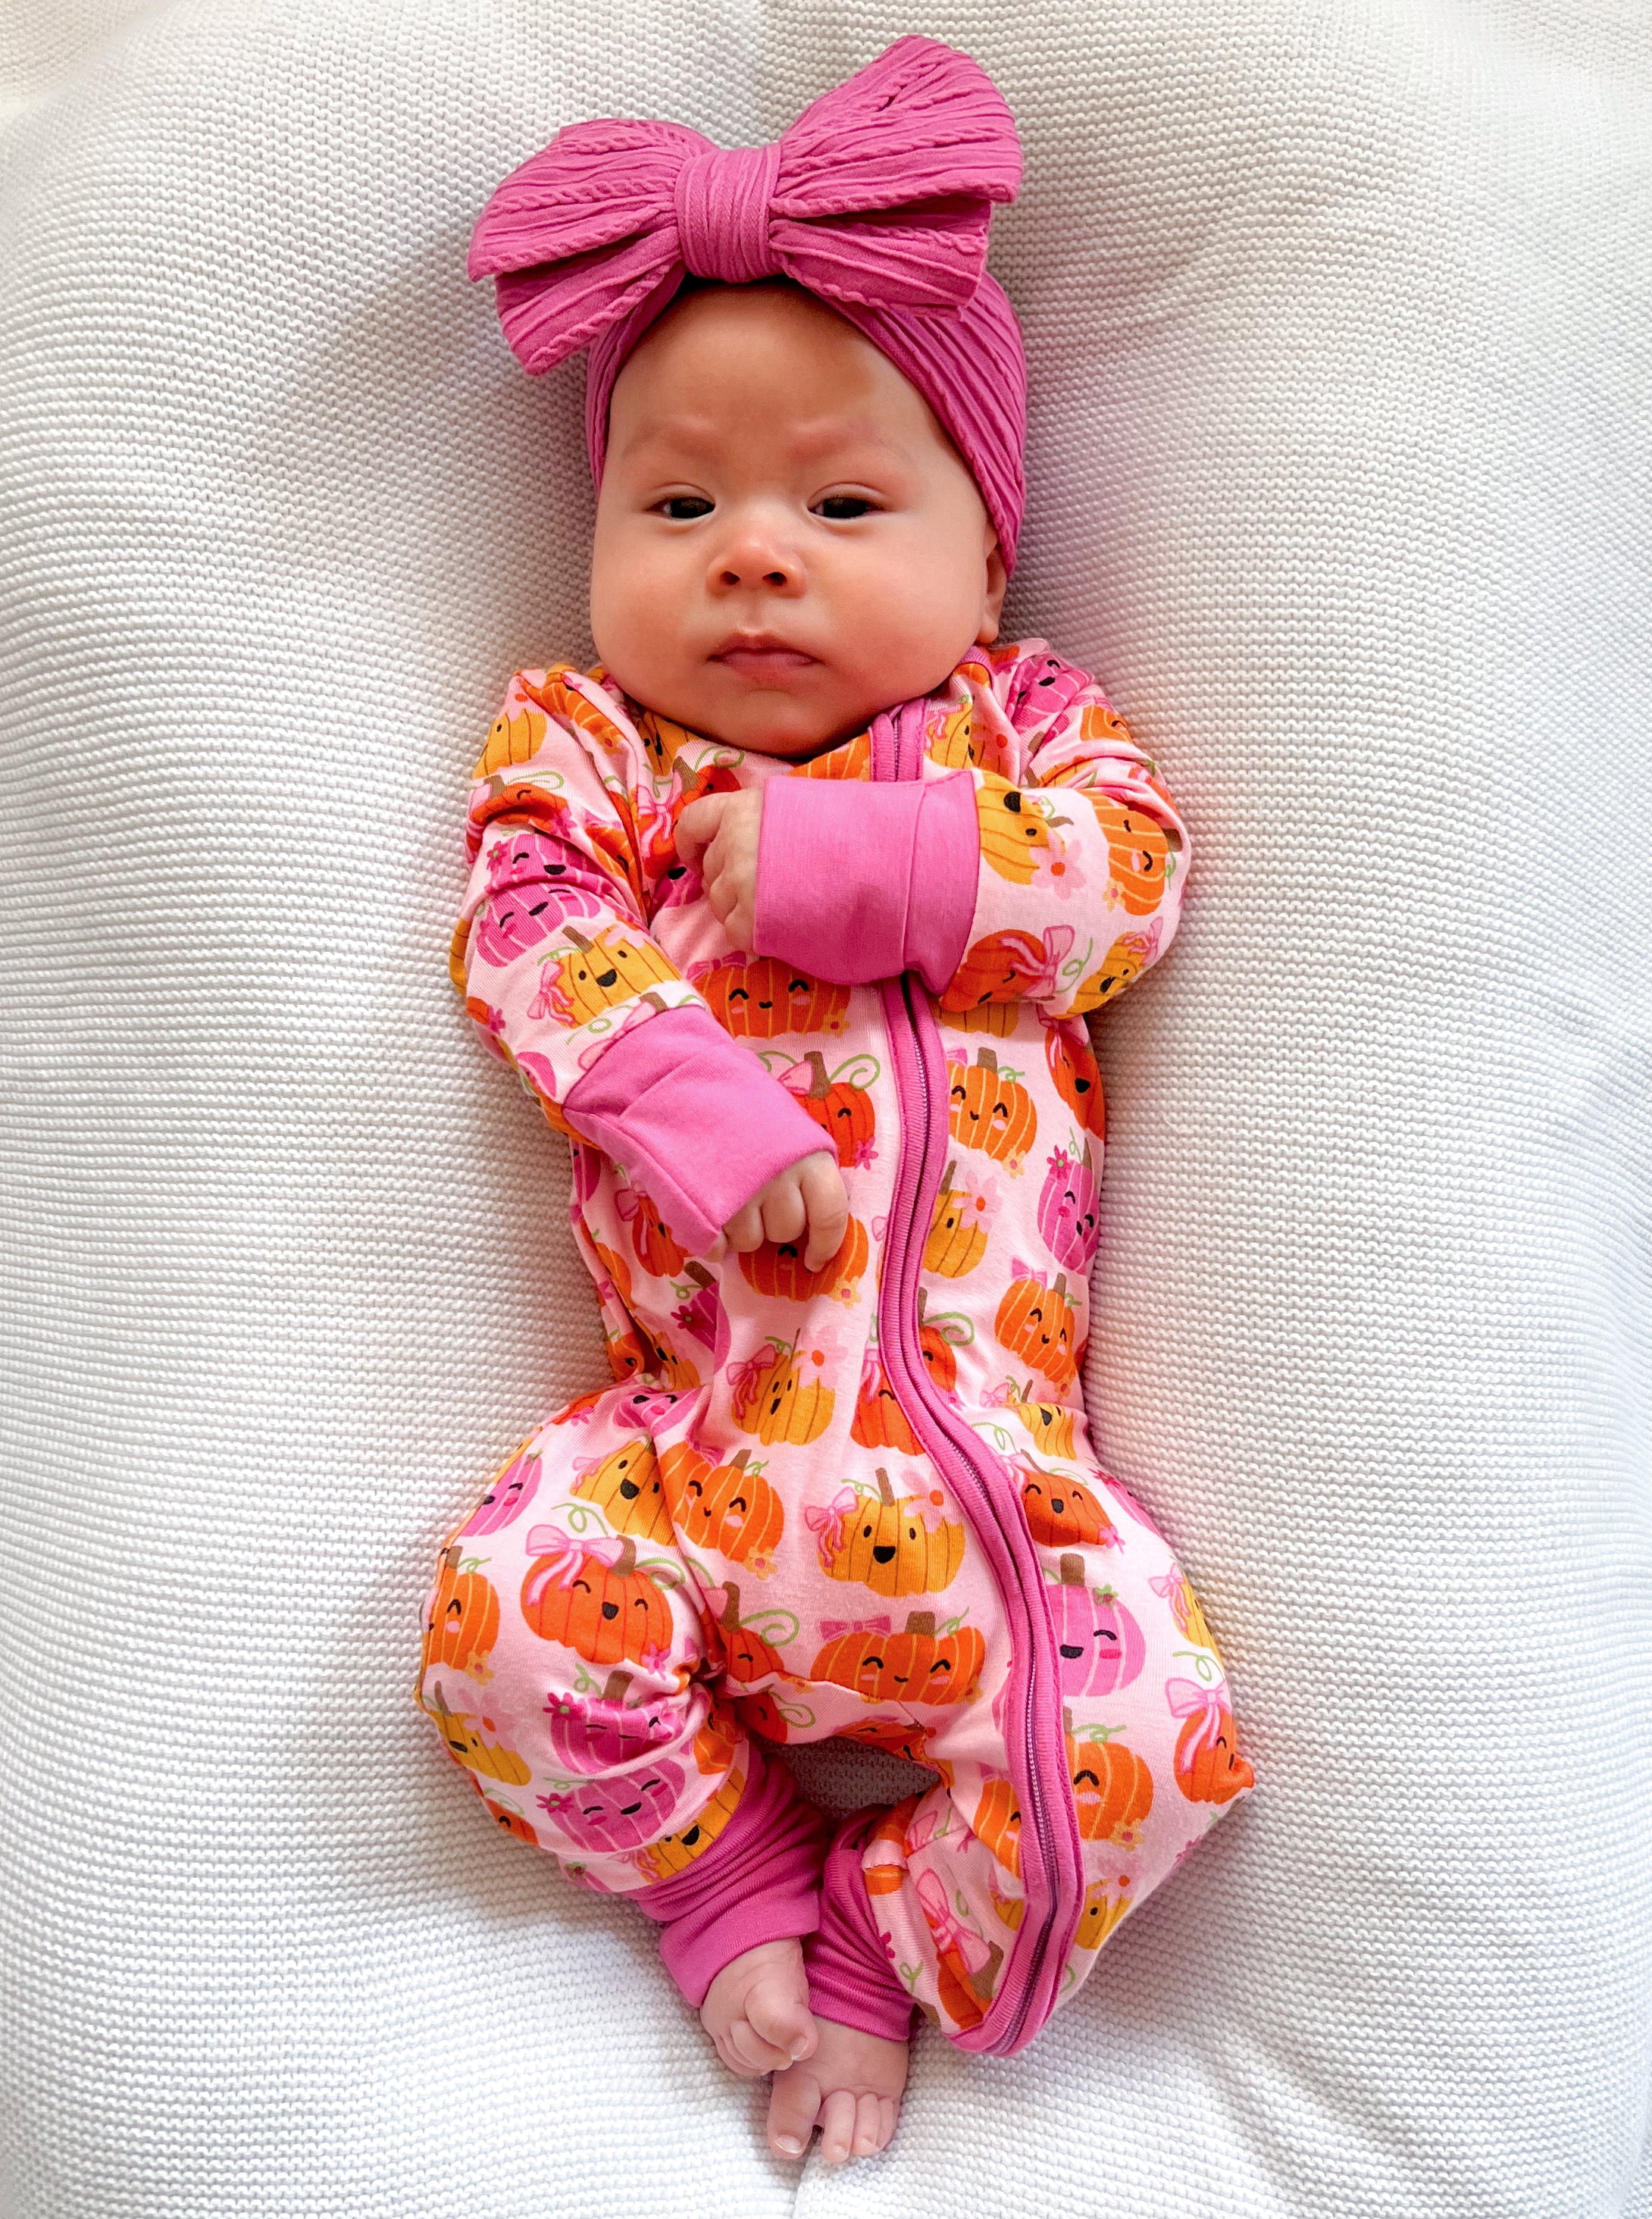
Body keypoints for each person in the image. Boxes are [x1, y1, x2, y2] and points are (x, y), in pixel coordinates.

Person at [417, 35, 1253, 2167]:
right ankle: (721, 1880)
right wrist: (705, 1115)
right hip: (685, 1460)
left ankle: (889, 1945)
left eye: (841, 503)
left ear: (987, 566)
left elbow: (1123, 893)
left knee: (1152, 1739)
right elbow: (523, 931)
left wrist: (859, 869)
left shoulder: (1027, 729)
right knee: (504, 1620)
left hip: (1003, 1492)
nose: (752, 558)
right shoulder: (591, 750)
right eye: (675, 504)